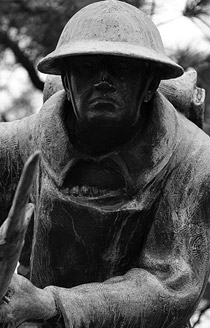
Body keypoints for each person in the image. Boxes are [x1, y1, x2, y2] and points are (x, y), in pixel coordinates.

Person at [0, 1, 210, 327]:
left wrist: (52, 303)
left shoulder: (195, 161)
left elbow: (170, 287)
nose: (103, 80)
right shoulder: (15, 147)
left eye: (121, 68)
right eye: (86, 67)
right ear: (66, 81)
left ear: (150, 84)